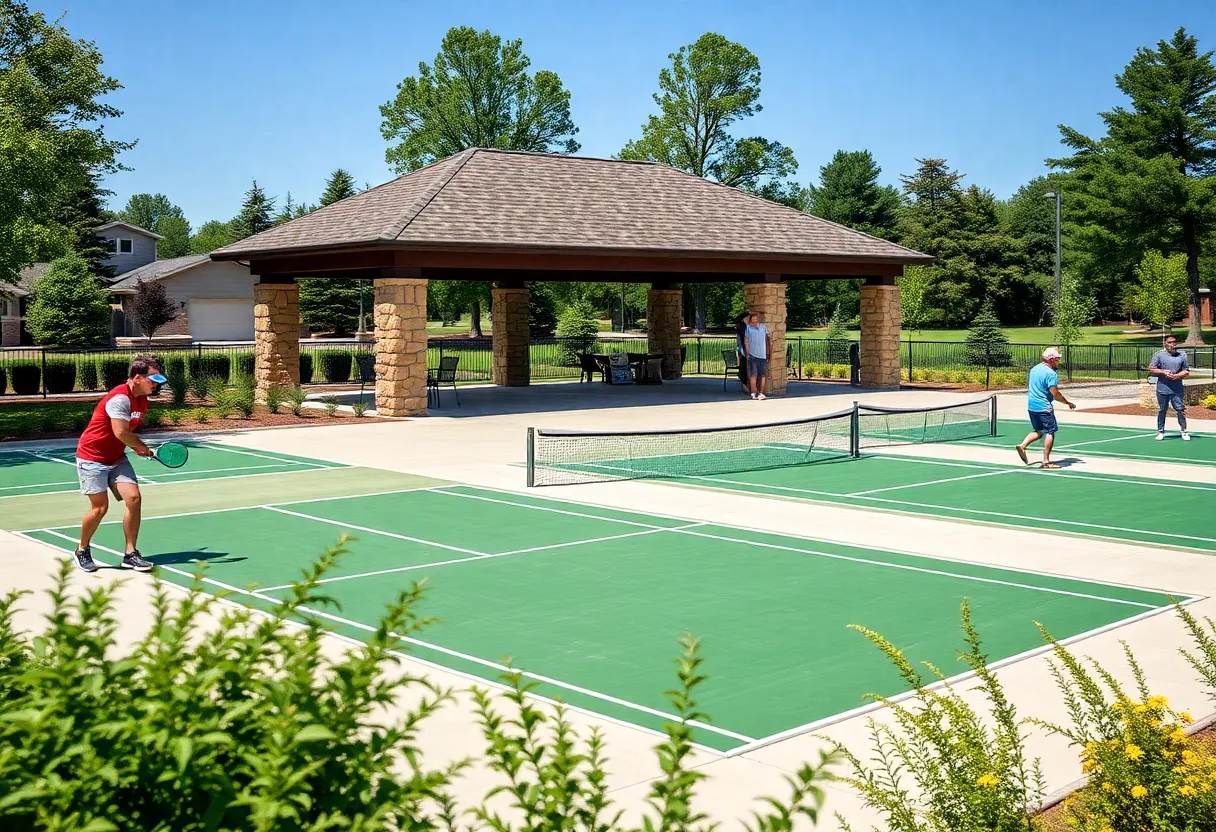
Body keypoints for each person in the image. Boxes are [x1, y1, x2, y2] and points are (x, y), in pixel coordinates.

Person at [73, 355, 166, 573]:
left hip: (116, 458)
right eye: (153, 380)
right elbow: (120, 431)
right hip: (91, 458)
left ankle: (130, 554)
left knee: (133, 499)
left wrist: (135, 447)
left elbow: (126, 433)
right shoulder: (120, 399)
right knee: (99, 509)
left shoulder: (142, 399)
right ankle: (82, 550)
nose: (156, 385)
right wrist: (139, 446)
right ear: (136, 378)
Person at [1016, 346, 1075, 469]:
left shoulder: (1034, 369)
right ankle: (1046, 462)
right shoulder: (1051, 374)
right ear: (1052, 360)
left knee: (1040, 430)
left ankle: (1023, 445)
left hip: (1032, 406)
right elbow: (1055, 393)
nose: (1058, 361)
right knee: (1050, 432)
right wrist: (1067, 402)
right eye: (1057, 359)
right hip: (1044, 407)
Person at [1148, 334, 1190, 441]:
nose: (1172, 344)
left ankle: (1184, 431)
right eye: (1170, 342)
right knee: (1162, 410)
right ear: (1165, 344)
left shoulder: (1182, 355)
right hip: (1162, 388)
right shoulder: (1159, 355)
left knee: (1180, 409)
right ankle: (1160, 431)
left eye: (1174, 342)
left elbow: (1186, 370)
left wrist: (1177, 376)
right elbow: (1151, 368)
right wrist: (1163, 371)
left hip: (1177, 389)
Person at [743, 312, 773, 400]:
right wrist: (747, 353)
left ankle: (761, 392)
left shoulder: (763, 327)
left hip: (763, 355)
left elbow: (768, 340)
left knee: (763, 375)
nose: (755, 321)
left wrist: (768, 352)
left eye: (756, 319)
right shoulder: (748, 328)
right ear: (750, 320)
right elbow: (746, 341)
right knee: (753, 375)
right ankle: (753, 392)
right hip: (753, 355)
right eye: (753, 319)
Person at [734, 310, 750, 392]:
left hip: (746, 349)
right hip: (743, 349)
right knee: (743, 366)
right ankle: (744, 383)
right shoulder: (742, 326)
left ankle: (747, 384)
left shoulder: (748, 326)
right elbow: (741, 340)